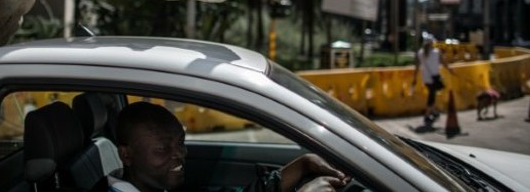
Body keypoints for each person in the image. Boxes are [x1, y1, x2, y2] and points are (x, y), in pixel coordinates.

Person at [104, 101, 351, 192]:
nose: (179, 154)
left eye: (180, 143)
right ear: (126, 155)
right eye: (162, 149)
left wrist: (302, 165)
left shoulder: (151, 185)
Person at [411, 35, 453, 126]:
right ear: (431, 43)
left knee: (432, 93)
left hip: (426, 78)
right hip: (434, 77)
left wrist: (414, 78)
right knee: (432, 95)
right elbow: (444, 63)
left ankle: (433, 111)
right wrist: (450, 70)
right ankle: (427, 114)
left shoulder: (420, 53)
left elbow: (417, 67)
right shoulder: (436, 52)